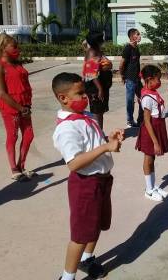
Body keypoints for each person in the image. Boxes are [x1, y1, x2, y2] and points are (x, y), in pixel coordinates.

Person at [52, 72, 124, 280]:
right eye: (80, 93)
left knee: (97, 225)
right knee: (80, 235)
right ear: (63, 98)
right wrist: (105, 148)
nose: (86, 97)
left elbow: (95, 142)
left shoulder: (87, 117)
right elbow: (74, 163)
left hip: (102, 180)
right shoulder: (66, 128)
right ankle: (67, 277)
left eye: (85, 92)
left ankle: (87, 258)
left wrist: (109, 138)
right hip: (85, 184)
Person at [0, 33, 34, 182]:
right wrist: (19, 108)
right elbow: (2, 93)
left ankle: (21, 165)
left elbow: (24, 85)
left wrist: (26, 105)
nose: (17, 48)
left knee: (29, 135)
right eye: (14, 46)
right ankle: (14, 169)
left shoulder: (17, 63)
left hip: (24, 105)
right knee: (13, 136)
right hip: (10, 107)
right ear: (3, 47)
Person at [135, 65, 168, 201]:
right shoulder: (147, 97)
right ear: (149, 79)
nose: (160, 82)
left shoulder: (153, 92)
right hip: (151, 130)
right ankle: (148, 190)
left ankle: (153, 186)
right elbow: (147, 121)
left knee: (152, 158)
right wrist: (155, 142)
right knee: (148, 158)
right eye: (158, 79)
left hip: (158, 126)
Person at [82, 32, 113, 130]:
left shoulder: (96, 50)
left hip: (101, 84)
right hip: (95, 86)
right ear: (97, 42)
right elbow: (91, 73)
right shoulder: (92, 53)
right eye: (101, 39)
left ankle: (100, 133)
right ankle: (98, 135)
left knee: (100, 111)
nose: (103, 40)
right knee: (97, 112)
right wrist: (100, 89)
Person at [119, 28, 143, 127]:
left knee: (143, 97)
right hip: (130, 79)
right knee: (130, 100)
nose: (139, 36)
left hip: (137, 79)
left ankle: (141, 119)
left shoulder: (136, 48)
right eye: (137, 34)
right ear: (132, 36)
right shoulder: (127, 48)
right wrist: (122, 76)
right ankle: (130, 120)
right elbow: (121, 64)